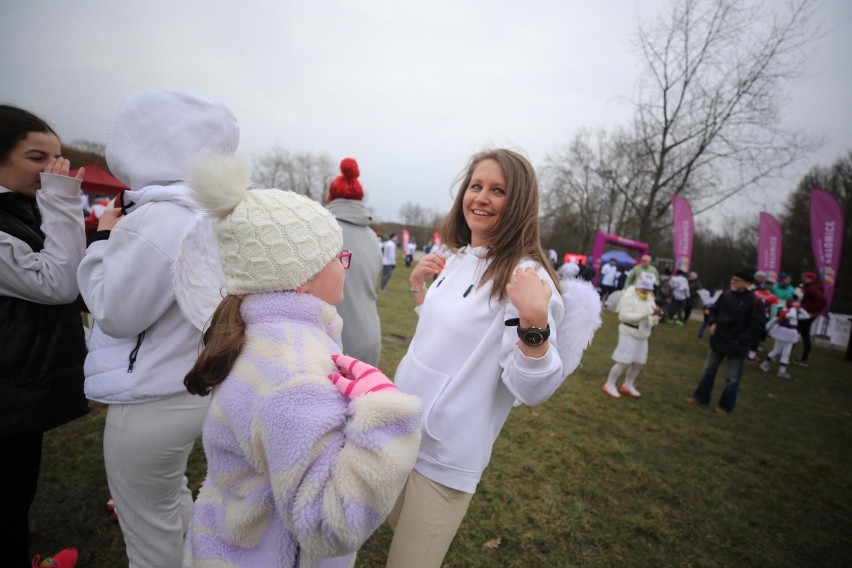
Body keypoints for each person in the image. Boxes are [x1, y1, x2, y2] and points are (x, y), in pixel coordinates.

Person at [182, 154, 421, 567]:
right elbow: (330, 524)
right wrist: (385, 417)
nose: (346, 265)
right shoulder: (296, 370)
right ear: (302, 276)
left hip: (234, 543)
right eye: (338, 256)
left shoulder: (256, 331)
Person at [385, 149, 600, 567]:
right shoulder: (461, 256)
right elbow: (448, 335)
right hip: (400, 432)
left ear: (518, 204)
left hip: (445, 456)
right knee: (393, 534)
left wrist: (535, 323)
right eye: (476, 185)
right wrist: (418, 289)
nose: (480, 197)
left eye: (497, 190)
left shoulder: (526, 279)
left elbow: (532, 387)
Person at [76, 90, 237, 567]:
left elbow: (115, 312)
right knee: (169, 500)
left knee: (146, 528)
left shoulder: (160, 217)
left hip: (149, 393)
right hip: (191, 384)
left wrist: (102, 240)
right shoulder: (207, 212)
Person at [1, 105, 88, 568]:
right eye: (38, 158)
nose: (53, 171)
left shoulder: (18, 208)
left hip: (18, 385)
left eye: (59, 160)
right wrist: (61, 200)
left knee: (18, 491)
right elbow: (59, 283)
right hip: (9, 386)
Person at [325, 157, 383, 366]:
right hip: (370, 337)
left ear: (330, 197)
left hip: (337, 343)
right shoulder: (372, 237)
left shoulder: (321, 231)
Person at [686, 269, 766, 415]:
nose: (733, 282)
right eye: (732, 279)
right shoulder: (726, 295)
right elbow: (714, 310)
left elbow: (757, 326)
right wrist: (713, 323)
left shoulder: (755, 302)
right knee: (708, 371)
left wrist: (740, 339)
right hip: (719, 339)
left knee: (732, 378)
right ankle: (700, 397)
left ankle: (725, 406)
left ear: (747, 283)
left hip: (738, 345)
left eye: (737, 280)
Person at [601, 272, 662, 398]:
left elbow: (651, 313)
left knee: (638, 362)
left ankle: (628, 385)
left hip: (643, 333)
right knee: (623, 361)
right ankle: (609, 384)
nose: (646, 292)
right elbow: (623, 316)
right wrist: (644, 314)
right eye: (644, 289)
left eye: (649, 289)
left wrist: (656, 315)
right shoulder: (629, 295)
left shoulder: (650, 297)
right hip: (628, 331)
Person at [760, 301, 804, 380]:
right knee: (777, 350)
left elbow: (806, 316)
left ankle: (781, 371)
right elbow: (788, 316)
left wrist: (800, 310)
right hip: (783, 334)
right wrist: (793, 310)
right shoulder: (785, 312)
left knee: (786, 353)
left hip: (790, 335)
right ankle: (766, 364)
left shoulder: (795, 313)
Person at [792, 271, 826, 367]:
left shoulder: (812, 288)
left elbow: (822, 300)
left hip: (806, 314)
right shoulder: (811, 287)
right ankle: (804, 358)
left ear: (810, 278)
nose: (803, 279)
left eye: (805, 277)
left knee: (794, 332)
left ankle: (786, 354)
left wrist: (813, 311)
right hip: (808, 314)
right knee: (804, 335)